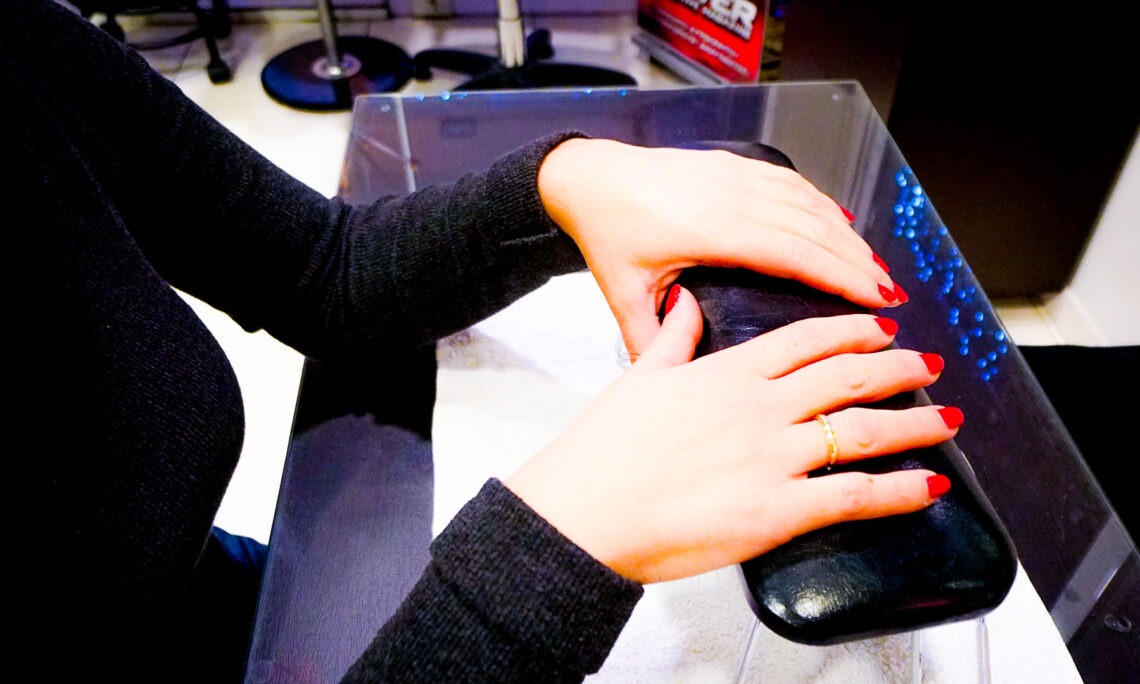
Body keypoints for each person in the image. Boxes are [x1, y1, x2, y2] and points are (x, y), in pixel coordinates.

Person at [4, 1, 961, 681]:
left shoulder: (20, 45)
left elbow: (318, 267)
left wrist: (562, 187)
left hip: (226, 606)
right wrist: (559, 547)